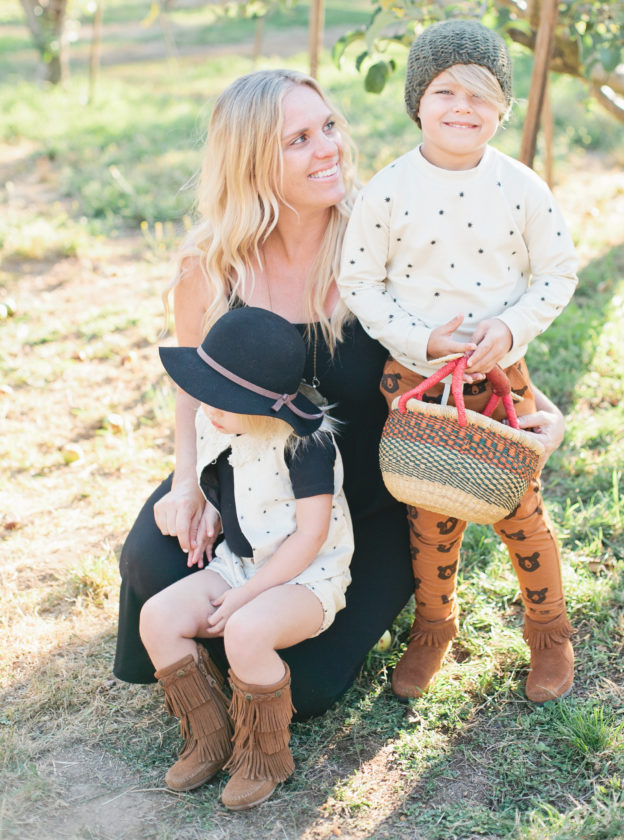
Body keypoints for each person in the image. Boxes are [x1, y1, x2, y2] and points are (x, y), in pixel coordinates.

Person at [114, 66, 566, 720]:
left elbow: (461, 340)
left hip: (365, 498)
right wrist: (191, 485)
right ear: (250, 162)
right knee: (152, 564)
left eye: (327, 126)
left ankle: (245, 656)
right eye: (297, 139)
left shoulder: (382, 237)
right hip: (251, 480)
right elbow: (191, 388)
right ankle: (211, 670)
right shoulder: (210, 268)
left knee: (310, 686)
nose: (328, 148)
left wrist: (540, 410)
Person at [338, 19, 578, 704]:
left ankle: (548, 630)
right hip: (419, 379)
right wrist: (420, 342)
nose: (462, 109)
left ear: (502, 107)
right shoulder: (386, 191)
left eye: (480, 96)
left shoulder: (522, 187)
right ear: (417, 100)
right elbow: (361, 283)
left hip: (501, 379)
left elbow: (556, 272)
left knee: (518, 507)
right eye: (445, 92)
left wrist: (509, 327)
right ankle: (433, 627)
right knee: (431, 510)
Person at [139, 306, 352, 809]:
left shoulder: (307, 445)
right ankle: (209, 734)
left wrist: (247, 595)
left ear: (265, 406)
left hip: (307, 575)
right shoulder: (218, 420)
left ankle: (263, 754)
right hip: (240, 562)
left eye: (223, 398)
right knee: (158, 617)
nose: (208, 405)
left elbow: (309, 537)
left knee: (246, 629)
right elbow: (227, 480)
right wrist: (212, 513)